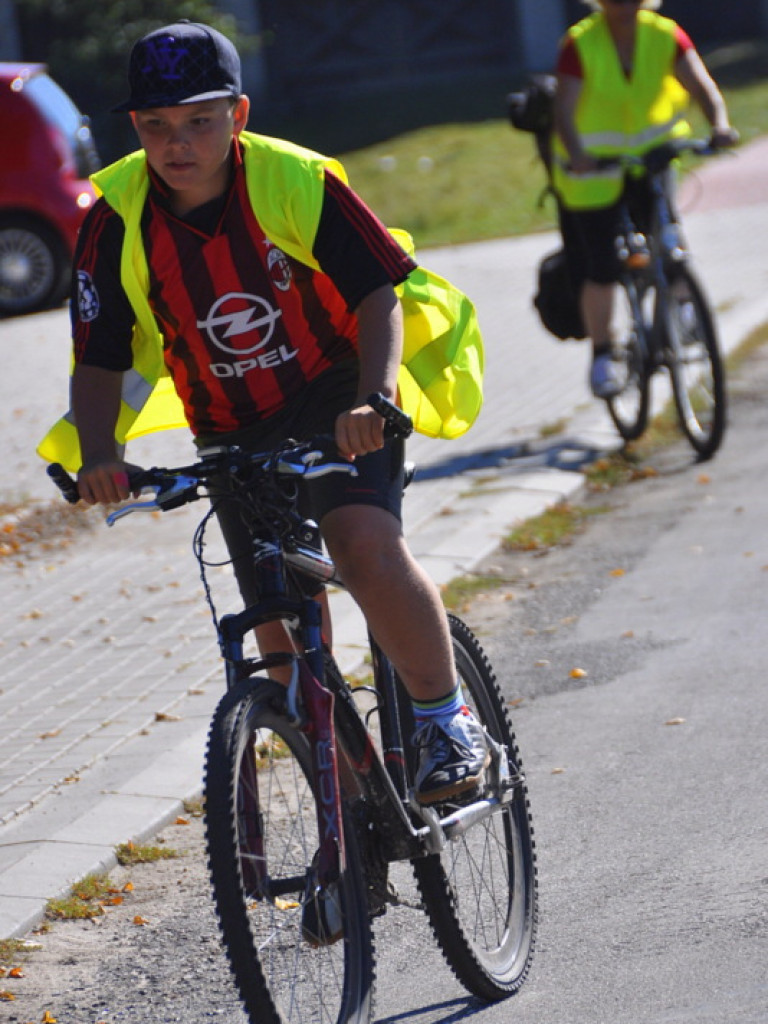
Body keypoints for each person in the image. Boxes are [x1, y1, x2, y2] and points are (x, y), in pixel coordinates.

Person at [41, 21, 488, 805]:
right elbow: (101, 356)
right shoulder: (114, 220)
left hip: (336, 393)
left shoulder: (296, 179)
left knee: (361, 546)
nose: (176, 143)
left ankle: (444, 719)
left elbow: (376, 294)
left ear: (239, 115)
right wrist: (101, 456)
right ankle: (346, 822)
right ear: (136, 128)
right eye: (155, 126)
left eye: (199, 121)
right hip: (231, 424)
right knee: (279, 638)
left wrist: (372, 400)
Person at [551, 0, 739, 398]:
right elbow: (563, 111)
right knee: (602, 266)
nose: (625, 6)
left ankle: (685, 315)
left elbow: (702, 85)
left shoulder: (664, 35)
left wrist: (719, 124)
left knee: (669, 239)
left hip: (652, 158)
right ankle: (603, 355)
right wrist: (579, 155)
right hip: (594, 173)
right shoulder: (580, 44)